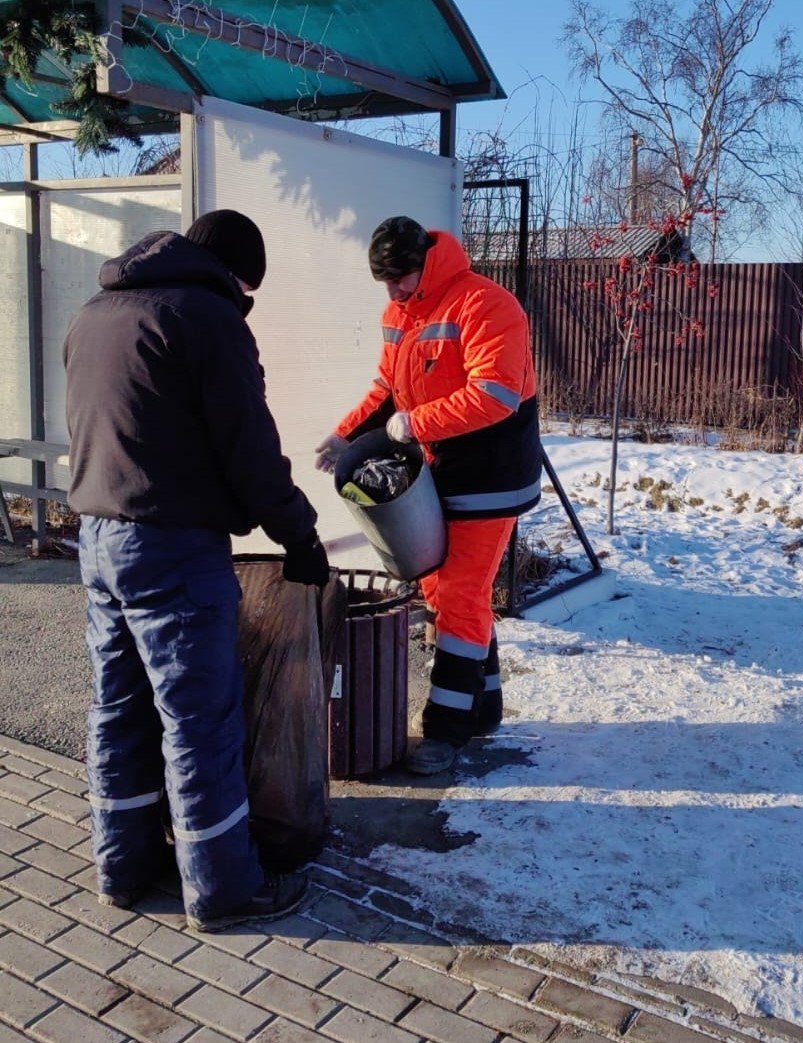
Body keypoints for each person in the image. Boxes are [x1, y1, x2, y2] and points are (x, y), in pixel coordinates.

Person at [63, 209, 330, 933]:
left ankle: (124, 866)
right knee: (199, 718)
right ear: (237, 276)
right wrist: (299, 534)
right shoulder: (207, 319)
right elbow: (248, 449)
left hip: (96, 538)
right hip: (172, 547)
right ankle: (221, 887)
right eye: (249, 289)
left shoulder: (95, 313)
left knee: (118, 706)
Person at [315, 215, 541, 774]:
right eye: (384, 283)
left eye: (399, 279)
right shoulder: (400, 312)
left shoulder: (487, 304)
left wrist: (418, 423)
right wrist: (346, 433)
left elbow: (496, 396)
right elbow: (388, 390)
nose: (391, 293)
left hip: (491, 476)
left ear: (426, 264)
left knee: (460, 597)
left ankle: (446, 729)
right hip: (437, 472)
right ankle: (483, 707)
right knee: (445, 593)